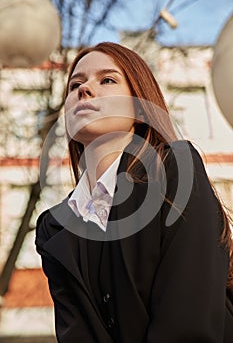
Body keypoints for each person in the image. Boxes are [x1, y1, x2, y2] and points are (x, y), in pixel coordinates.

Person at [35, 42, 233, 342]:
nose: (84, 89)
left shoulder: (174, 168)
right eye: (75, 84)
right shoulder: (53, 227)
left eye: (107, 80)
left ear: (139, 106)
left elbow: (189, 324)